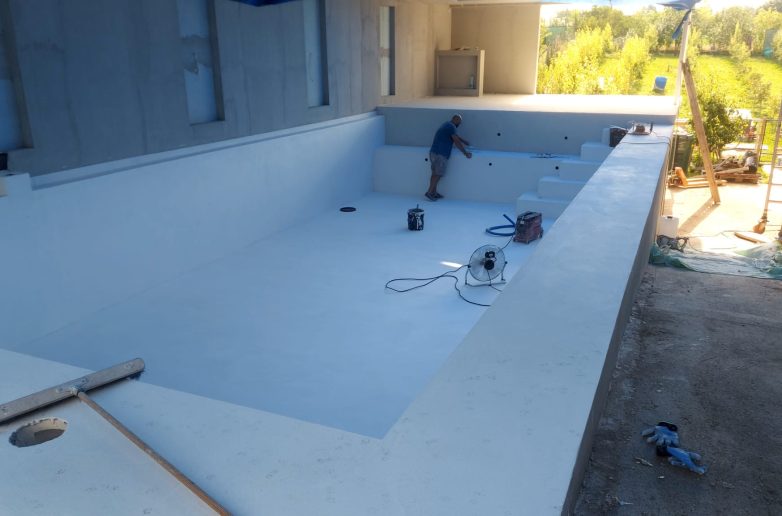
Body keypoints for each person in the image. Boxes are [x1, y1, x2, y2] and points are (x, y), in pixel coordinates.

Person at [425, 114, 472, 201]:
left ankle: (433, 192)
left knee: (435, 173)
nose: (459, 124)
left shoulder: (446, 124)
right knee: (438, 174)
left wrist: (464, 141)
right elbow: (456, 141)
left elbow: (455, 136)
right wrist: (465, 153)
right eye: (459, 122)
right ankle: (429, 192)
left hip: (434, 152)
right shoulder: (451, 126)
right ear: (455, 119)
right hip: (441, 153)